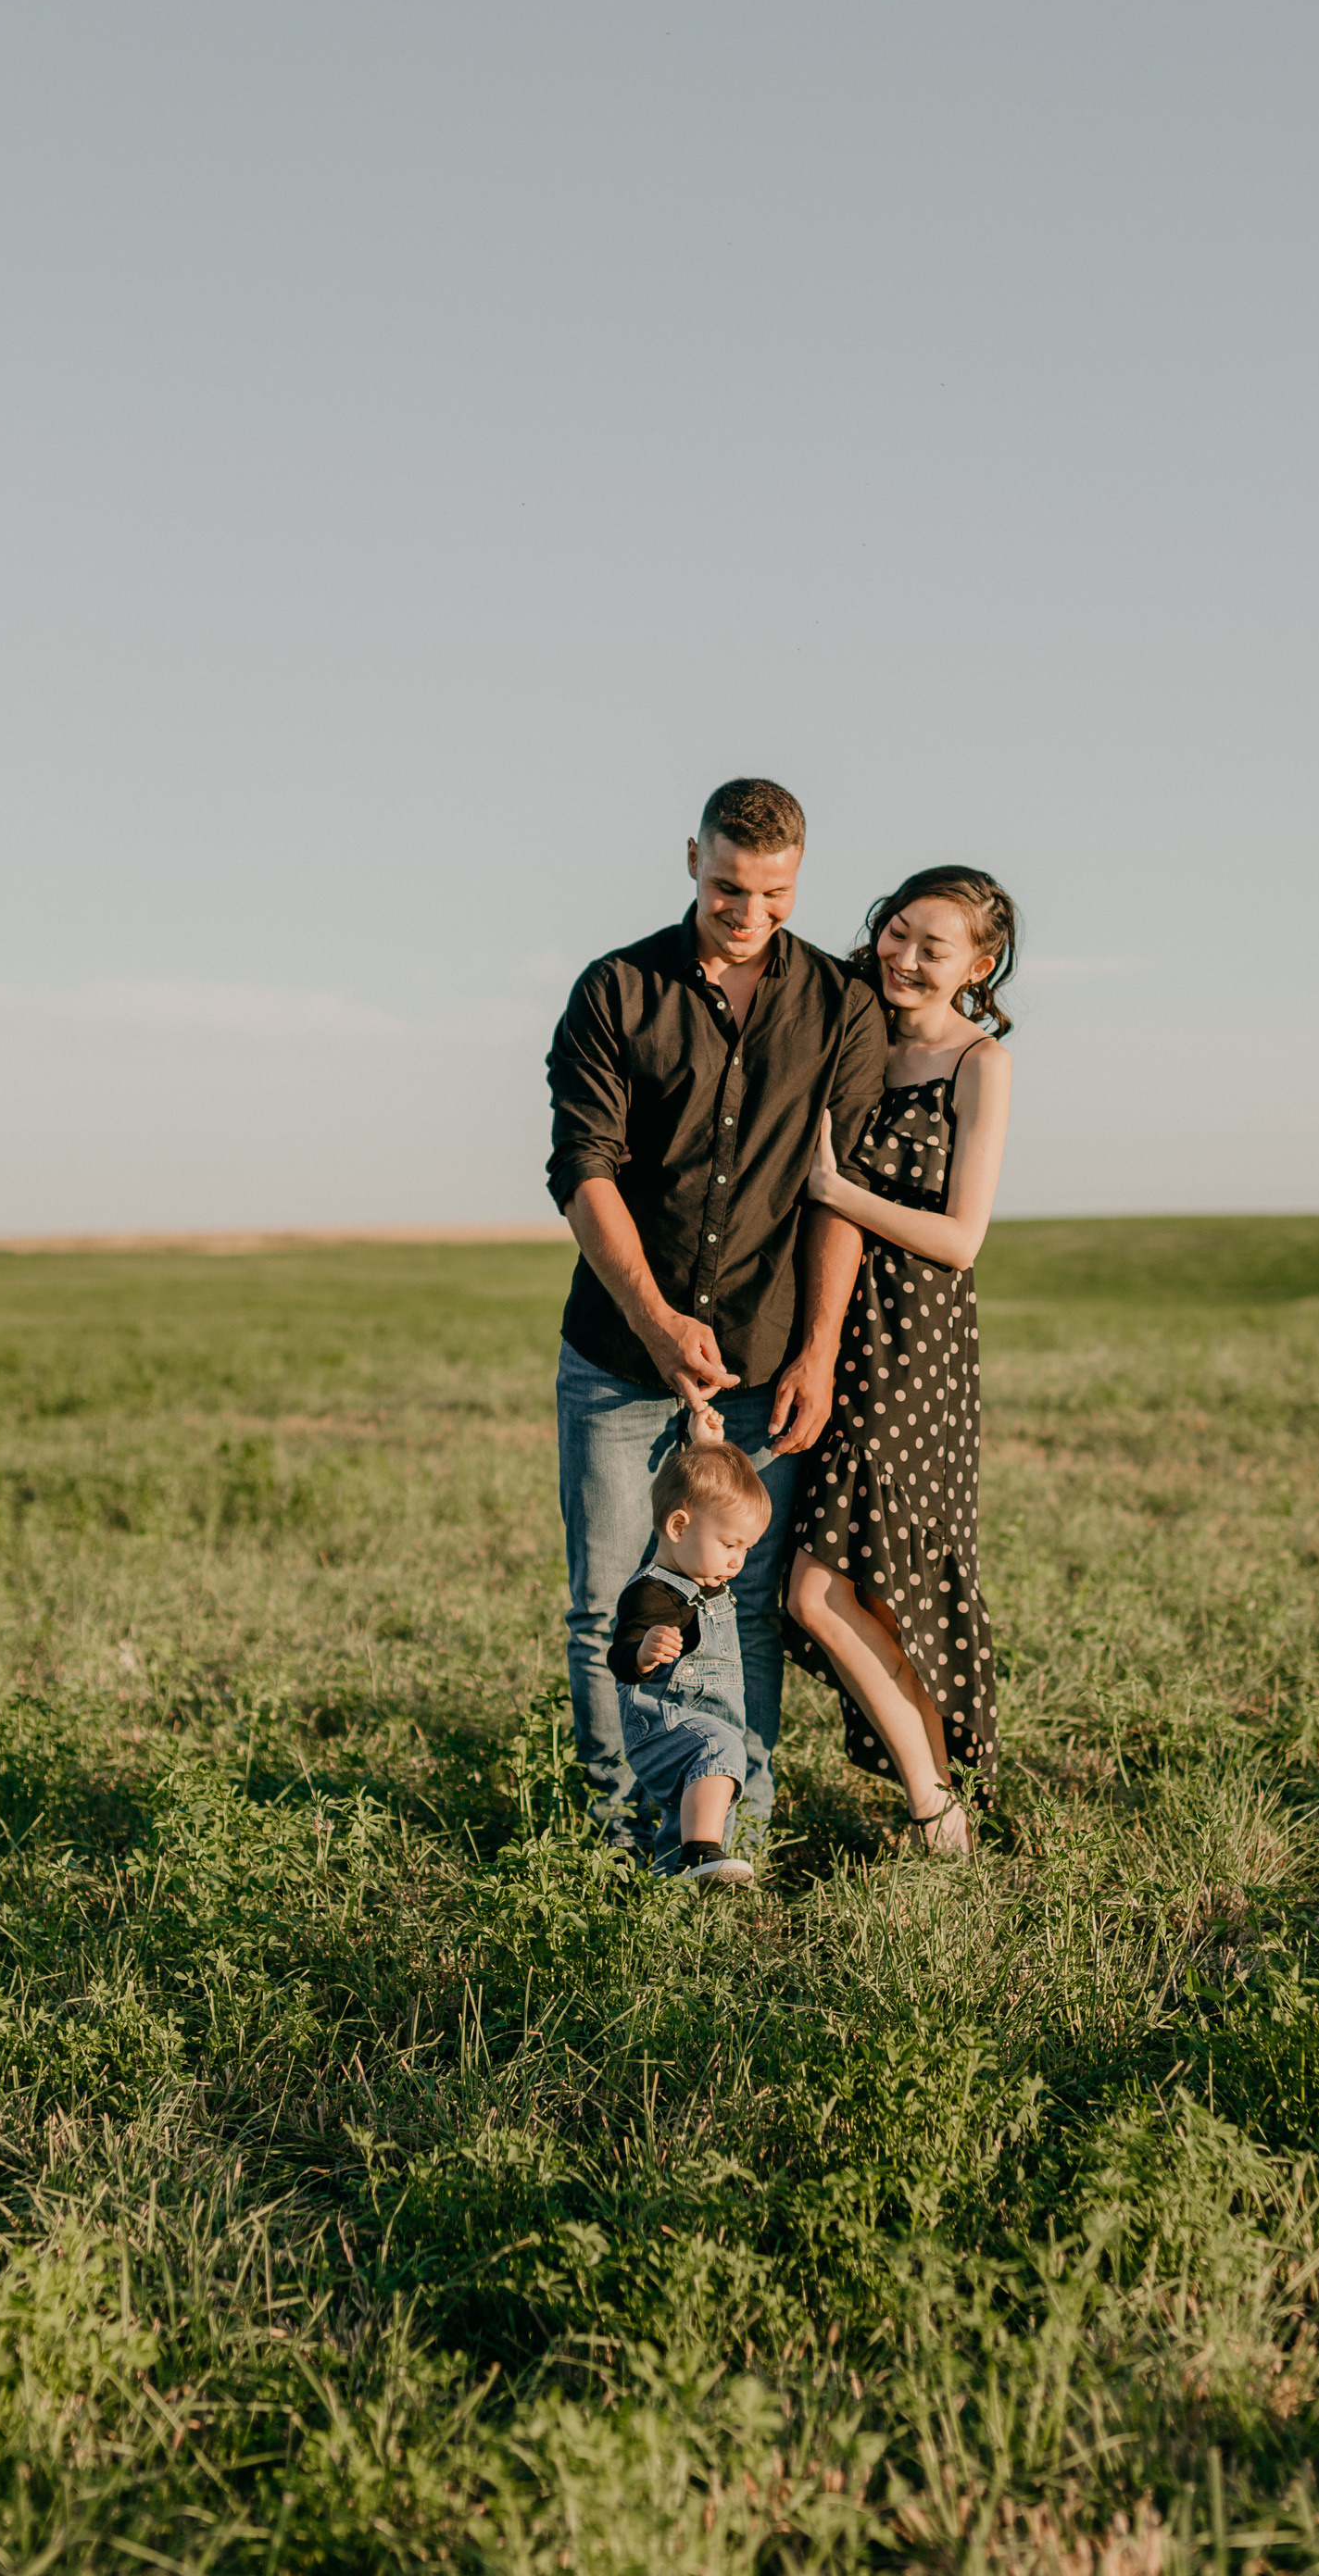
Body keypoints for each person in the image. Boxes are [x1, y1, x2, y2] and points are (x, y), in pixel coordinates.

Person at [546, 777, 887, 1853]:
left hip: (763, 1362)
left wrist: (819, 1350)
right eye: (729, 887)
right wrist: (650, 1319)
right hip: (616, 1357)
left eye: (774, 895)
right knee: (613, 1605)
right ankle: (617, 1838)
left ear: (797, 880)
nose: (749, 915)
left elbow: (836, 1195)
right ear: (689, 858)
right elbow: (581, 1170)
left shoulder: (842, 1006)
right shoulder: (614, 989)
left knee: (740, 1610)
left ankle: (728, 1837)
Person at [783, 865, 1019, 1858]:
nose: (905, 956)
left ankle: (934, 1806)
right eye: (896, 931)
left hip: (914, 1344)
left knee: (829, 1587)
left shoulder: (979, 1065)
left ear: (978, 965)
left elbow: (961, 1237)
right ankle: (939, 1801)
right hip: (828, 1322)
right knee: (850, 1585)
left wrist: (837, 1190)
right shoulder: (850, 1031)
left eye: (934, 945)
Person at [605, 1407, 771, 1884]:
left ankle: (672, 1888)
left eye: (745, 1550)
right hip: (661, 1724)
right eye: (730, 1545)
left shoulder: (701, 1568)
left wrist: (704, 1446)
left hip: (703, 1721)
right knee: (720, 1753)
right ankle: (700, 1857)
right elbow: (620, 1656)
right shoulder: (652, 1591)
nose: (737, 1561)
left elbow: (699, 1491)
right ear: (678, 1528)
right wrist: (642, 1652)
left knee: (705, 1809)